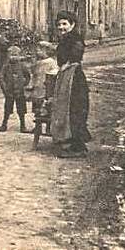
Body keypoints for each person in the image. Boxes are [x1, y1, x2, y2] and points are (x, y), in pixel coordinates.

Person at [50, 11, 91, 158]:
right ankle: (71, 142)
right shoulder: (65, 39)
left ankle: (78, 147)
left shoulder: (75, 38)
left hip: (74, 78)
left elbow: (75, 56)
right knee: (67, 108)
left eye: (65, 24)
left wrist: (66, 66)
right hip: (67, 76)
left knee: (74, 109)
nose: (61, 27)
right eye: (59, 24)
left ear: (72, 24)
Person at [0, 45, 31, 133]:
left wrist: (24, 84)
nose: (13, 57)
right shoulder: (6, 66)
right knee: (7, 109)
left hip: (20, 92)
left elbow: (27, 76)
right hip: (9, 91)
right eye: (11, 55)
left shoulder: (22, 66)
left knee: (21, 110)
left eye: (16, 55)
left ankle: (23, 126)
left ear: (19, 55)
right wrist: (4, 87)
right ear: (8, 55)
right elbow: (1, 77)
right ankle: (4, 124)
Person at [26, 41, 59, 126]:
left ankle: (48, 128)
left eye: (39, 50)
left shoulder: (51, 62)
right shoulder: (38, 62)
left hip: (46, 88)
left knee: (47, 108)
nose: (37, 52)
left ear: (47, 51)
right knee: (37, 109)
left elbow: (54, 74)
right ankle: (38, 127)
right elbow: (33, 74)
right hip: (37, 88)